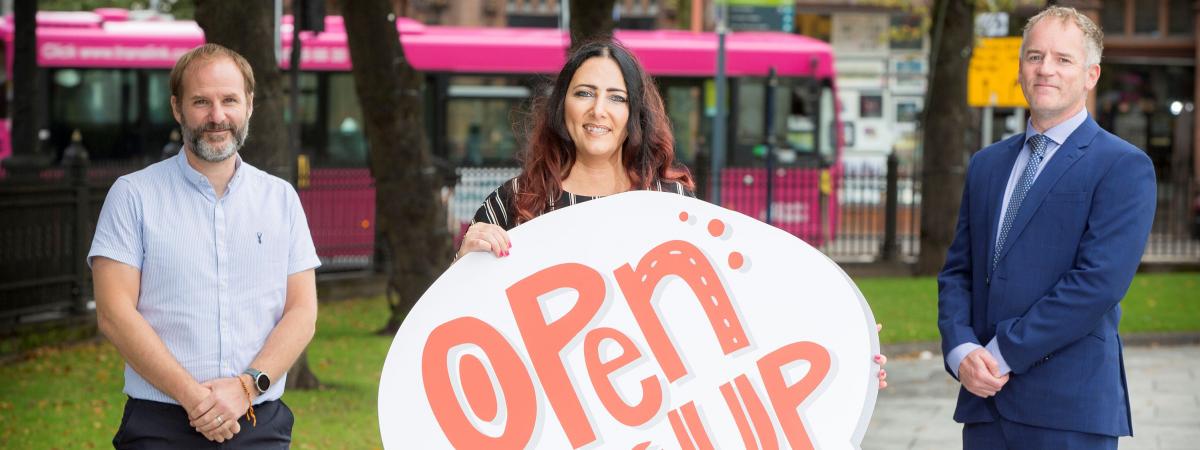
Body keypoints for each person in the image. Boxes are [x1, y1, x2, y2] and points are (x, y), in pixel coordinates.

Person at [457, 40, 889, 387]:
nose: (598, 111)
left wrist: (843, 349)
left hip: (652, 417)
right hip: (555, 419)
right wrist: (465, 260)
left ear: (634, 115)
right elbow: (460, 328)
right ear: (561, 107)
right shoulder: (515, 202)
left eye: (616, 97)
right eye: (584, 93)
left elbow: (740, 307)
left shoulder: (671, 205)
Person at [937, 7, 1156, 449]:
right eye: (1034, 56)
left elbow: (1096, 284)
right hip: (985, 408)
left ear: (1091, 75)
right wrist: (961, 352)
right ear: (1020, 67)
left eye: (1063, 59)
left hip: (1068, 410)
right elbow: (958, 271)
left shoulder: (1123, 166)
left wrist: (999, 354)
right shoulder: (986, 164)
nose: (1045, 70)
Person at [89, 44, 319, 448]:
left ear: (249, 104)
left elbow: (302, 312)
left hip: (260, 424)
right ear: (178, 109)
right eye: (201, 102)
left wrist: (248, 388)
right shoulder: (132, 196)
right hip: (159, 427)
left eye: (229, 100)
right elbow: (113, 314)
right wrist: (196, 399)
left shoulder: (281, 199)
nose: (217, 116)